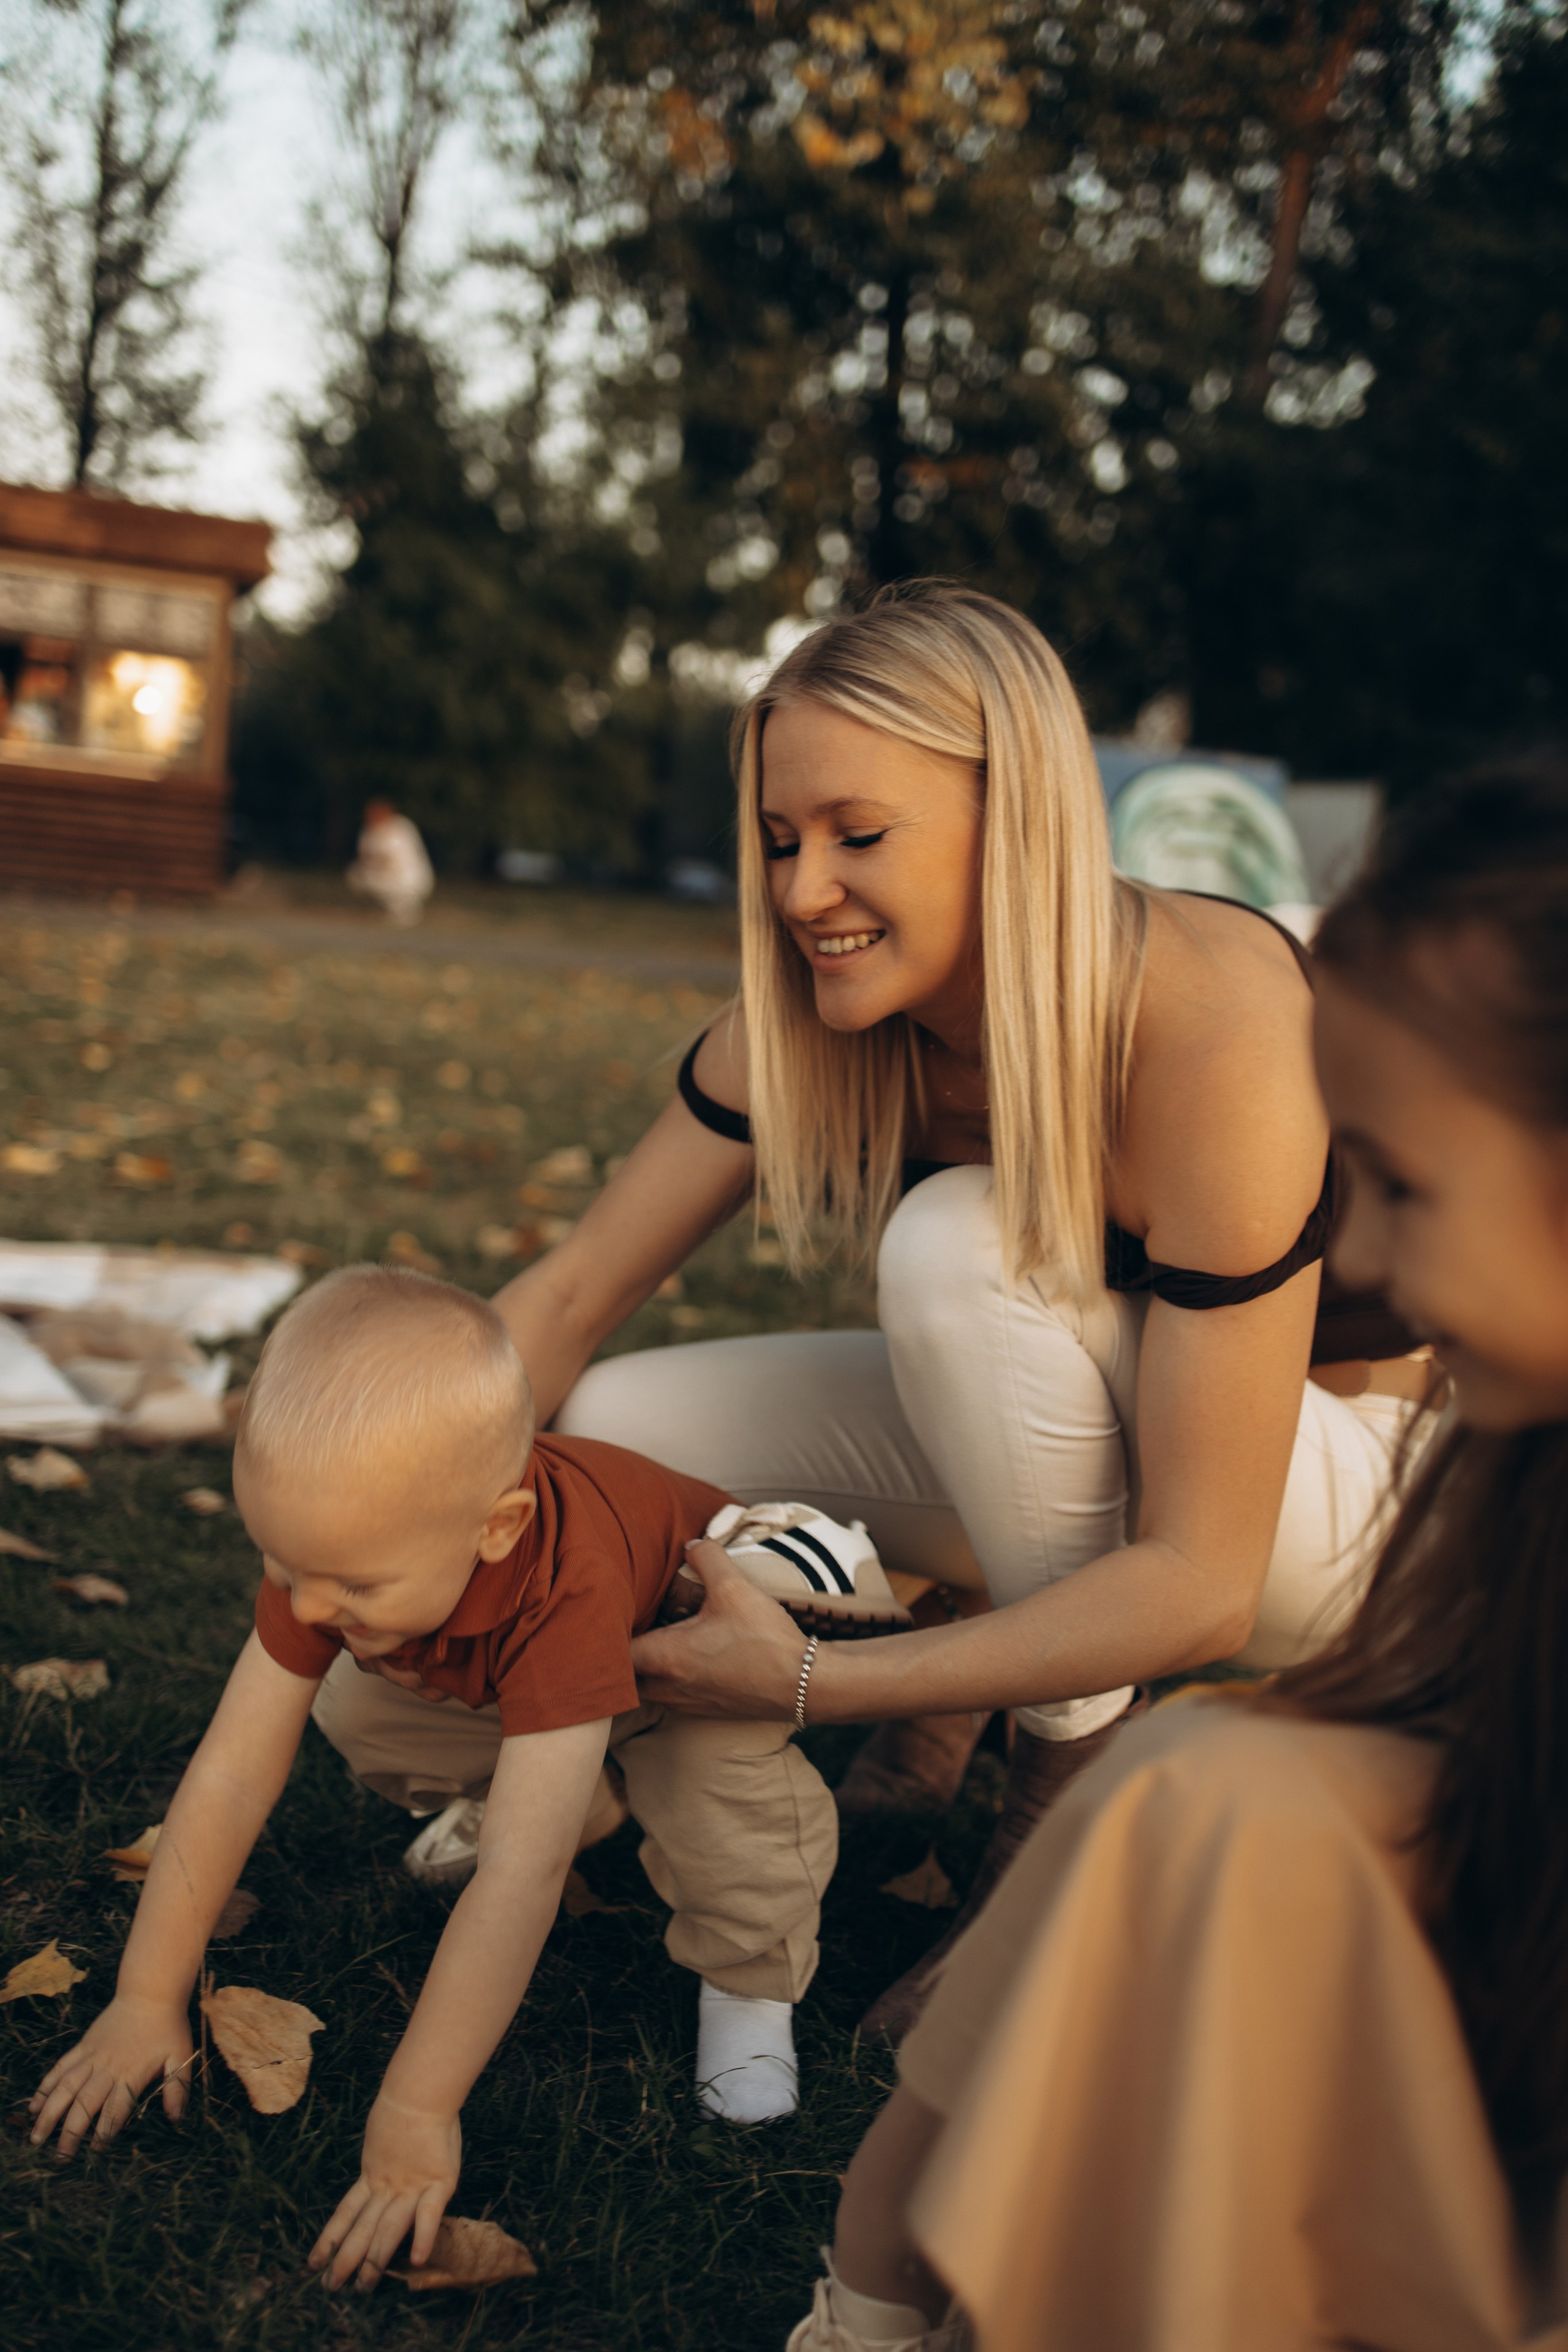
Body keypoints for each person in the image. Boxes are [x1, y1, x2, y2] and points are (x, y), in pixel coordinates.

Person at [493, 582, 1428, 2037]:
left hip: (1392, 1514)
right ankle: (945, 1700)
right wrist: (372, 1486)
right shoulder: (820, 1009)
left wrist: (809, 1680)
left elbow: (1200, 1575)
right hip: (1134, 1446)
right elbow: (565, 1296)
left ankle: (1053, 1814)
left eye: (858, 837)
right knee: (609, 1426)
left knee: (959, 1244)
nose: (804, 893)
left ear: (1022, 826)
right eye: (779, 840)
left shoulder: (1209, 1033)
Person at [784, 755, 1568, 2352]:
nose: (1355, 1255)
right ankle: (895, 2296)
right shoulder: (1516, 1476)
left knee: (1201, 1797)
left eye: (1404, 1184)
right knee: (1191, 1795)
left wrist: (817, 1678)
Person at [26, 1265, 859, 2291]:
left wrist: (416, 2109)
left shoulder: (563, 1582)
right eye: (288, 1571)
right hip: (552, 1684)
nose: (313, 1604)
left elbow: (520, 1874)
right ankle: (581, 1782)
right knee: (355, 1700)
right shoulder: (332, 1547)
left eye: (355, 1585)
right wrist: (146, 1996)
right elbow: (232, 1774)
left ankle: (747, 1981)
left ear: (495, 1531)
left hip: (701, 1635)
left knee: (722, 1798)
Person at [347, 799, 434, 925]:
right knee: (355, 874)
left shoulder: (400, 828)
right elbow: (364, 857)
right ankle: (384, 908)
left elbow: (388, 860)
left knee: (374, 879)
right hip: (384, 876)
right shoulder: (370, 830)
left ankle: (404, 909)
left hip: (408, 880)